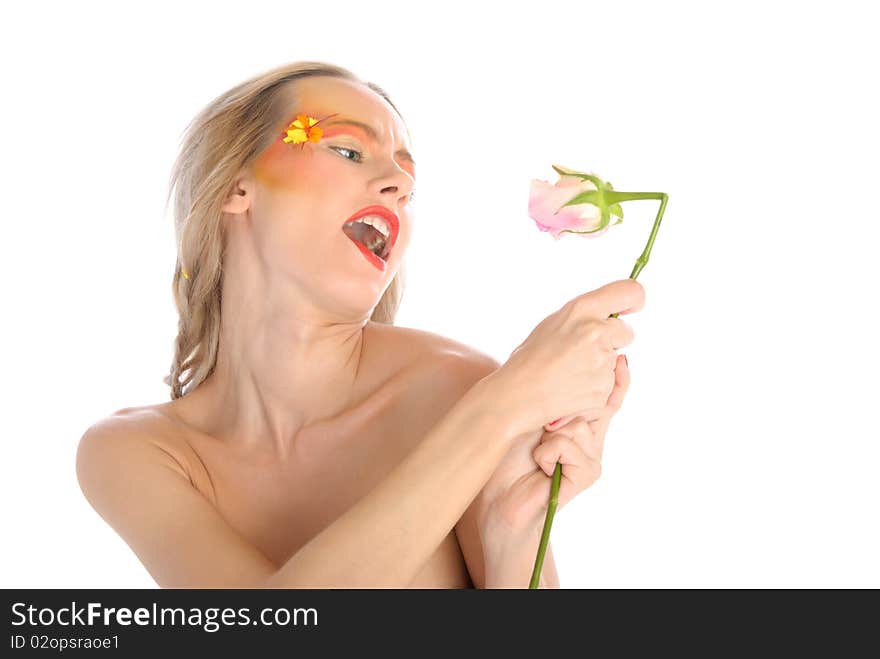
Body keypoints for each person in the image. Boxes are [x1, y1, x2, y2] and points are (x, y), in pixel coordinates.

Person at [75, 61, 644, 588]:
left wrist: (514, 536)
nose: (398, 185)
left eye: (409, 183)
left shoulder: (455, 389)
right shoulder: (137, 454)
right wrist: (505, 403)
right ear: (234, 188)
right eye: (349, 151)